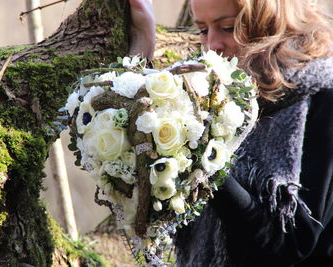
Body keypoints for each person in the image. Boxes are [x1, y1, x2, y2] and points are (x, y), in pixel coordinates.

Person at [129, 0, 333, 266]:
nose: (212, 44)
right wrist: (143, 46)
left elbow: (290, 244)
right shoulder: (207, 92)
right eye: (202, 30)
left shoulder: (321, 97)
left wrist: (204, 161)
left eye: (228, 27)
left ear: (270, 21)